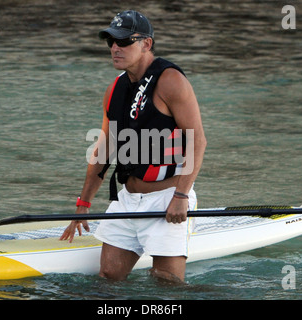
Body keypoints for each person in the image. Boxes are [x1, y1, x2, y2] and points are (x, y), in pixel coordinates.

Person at [60, 10, 207, 283]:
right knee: (108, 276)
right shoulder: (114, 89)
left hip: (167, 198)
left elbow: (197, 141)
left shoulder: (170, 80)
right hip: (127, 200)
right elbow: (103, 150)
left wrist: (181, 197)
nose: (115, 48)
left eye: (124, 41)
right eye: (111, 42)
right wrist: (82, 204)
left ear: (146, 44)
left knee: (167, 283)